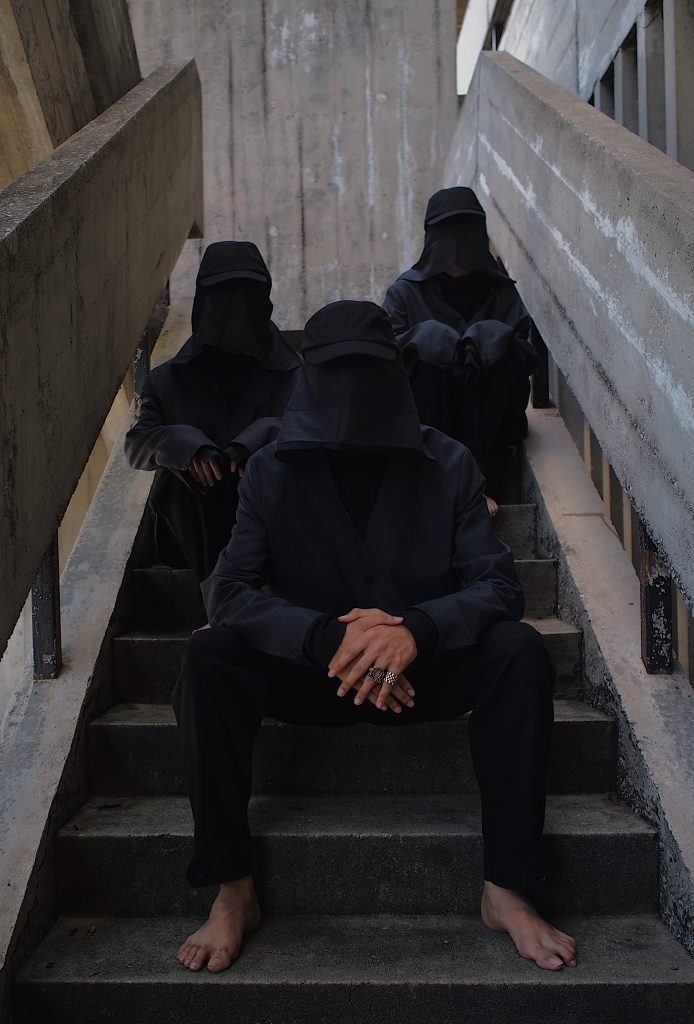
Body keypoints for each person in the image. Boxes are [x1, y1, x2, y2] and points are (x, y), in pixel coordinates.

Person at [171, 300, 577, 975]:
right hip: (313, 675)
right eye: (335, 373)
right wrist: (323, 638)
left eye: (369, 370)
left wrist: (417, 629)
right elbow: (228, 590)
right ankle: (232, 889)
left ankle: (506, 889)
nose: (351, 392)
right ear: (308, 376)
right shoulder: (269, 470)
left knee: (519, 651)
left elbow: (499, 585)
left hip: (422, 674)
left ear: (396, 373)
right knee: (208, 655)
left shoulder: (449, 462)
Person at [124, 241, 301, 580]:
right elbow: (136, 446)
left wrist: (264, 436)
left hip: (270, 523)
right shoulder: (168, 381)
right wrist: (183, 443)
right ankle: (220, 593)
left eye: (246, 294)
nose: (235, 309)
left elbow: (319, 432)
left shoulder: (295, 376)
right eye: (223, 295)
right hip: (192, 529)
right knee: (180, 488)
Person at [383, 187, 538, 516]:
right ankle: (452, 483)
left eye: (464, 230)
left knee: (496, 352)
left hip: (493, 422)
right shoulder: (405, 293)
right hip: (429, 416)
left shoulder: (501, 293)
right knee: (427, 356)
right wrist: (434, 343)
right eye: (447, 231)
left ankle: (477, 482)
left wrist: (488, 342)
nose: (455, 244)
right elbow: (388, 361)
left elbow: (525, 358)